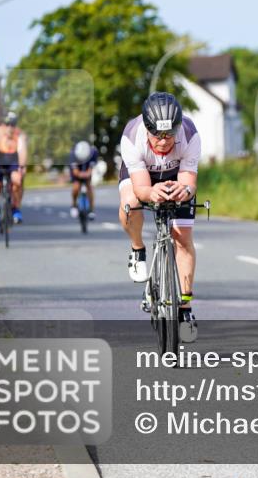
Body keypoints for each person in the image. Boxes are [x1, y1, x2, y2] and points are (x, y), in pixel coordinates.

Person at [118, 92, 201, 343]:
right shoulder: (132, 138)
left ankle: (185, 309)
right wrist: (150, 193)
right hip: (142, 175)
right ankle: (137, 248)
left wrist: (184, 190)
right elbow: (142, 188)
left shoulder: (189, 134)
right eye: (158, 135)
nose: (164, 142)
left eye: (169, 135)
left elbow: (189, 181)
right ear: (147, 128)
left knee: (183, 237)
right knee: (130, 204)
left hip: (176, 173)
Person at [0, 112, 28, 234]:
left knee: (18, 180)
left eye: (13, 124)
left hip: (12, 162)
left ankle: (16, 208)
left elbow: (22, 152)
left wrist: (21, 167)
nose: (10, 127)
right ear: (3, 124)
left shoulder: (20, 135)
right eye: (7, 124)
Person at [69, 140, 99, 218]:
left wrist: (87, 174)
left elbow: (91, 169)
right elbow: (75, 172)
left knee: (89, 187)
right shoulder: (73, 155)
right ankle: (74, 205)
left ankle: (91, 209)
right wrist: (80, 175)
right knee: (76, 187)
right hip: (77, 171)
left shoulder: (93, 153)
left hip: (87, 169)